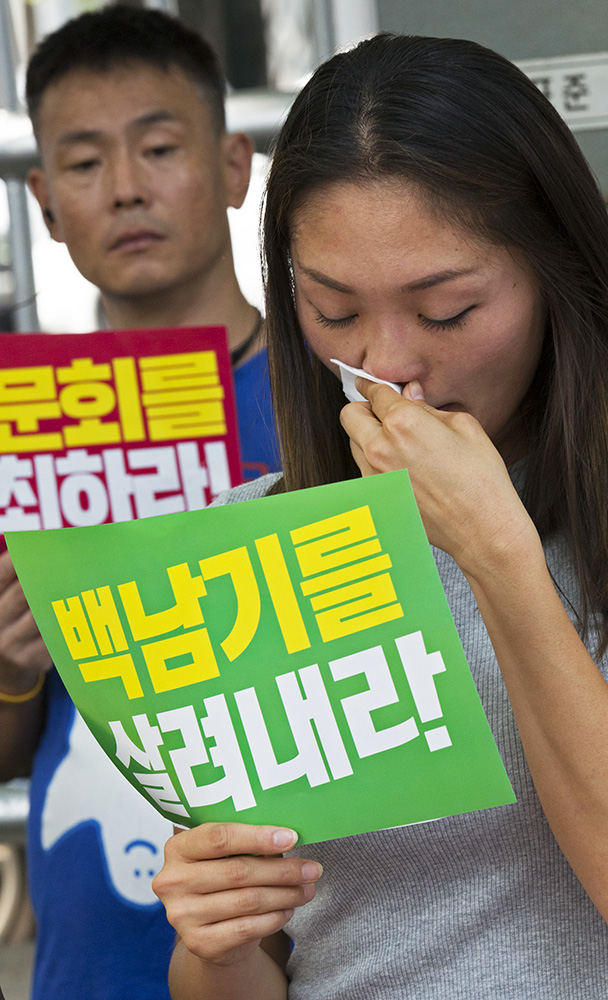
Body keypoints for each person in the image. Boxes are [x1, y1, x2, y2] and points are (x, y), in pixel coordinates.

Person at [151, 32, 608, 1000]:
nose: (389, 363)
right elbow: (252, 967)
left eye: (446, 310)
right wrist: (215, 938)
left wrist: (497, 554)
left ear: (557, 276)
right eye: (334, 310)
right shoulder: (250, 542)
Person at [0, 6, 278, 999]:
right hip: (93, 946)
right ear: (42, 201)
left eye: (159, 148)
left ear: (236, 165)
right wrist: (12, 665)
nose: (125, 189)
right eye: (83, 164)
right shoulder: (17, 429)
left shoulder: (339, 398)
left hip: (309, 935)